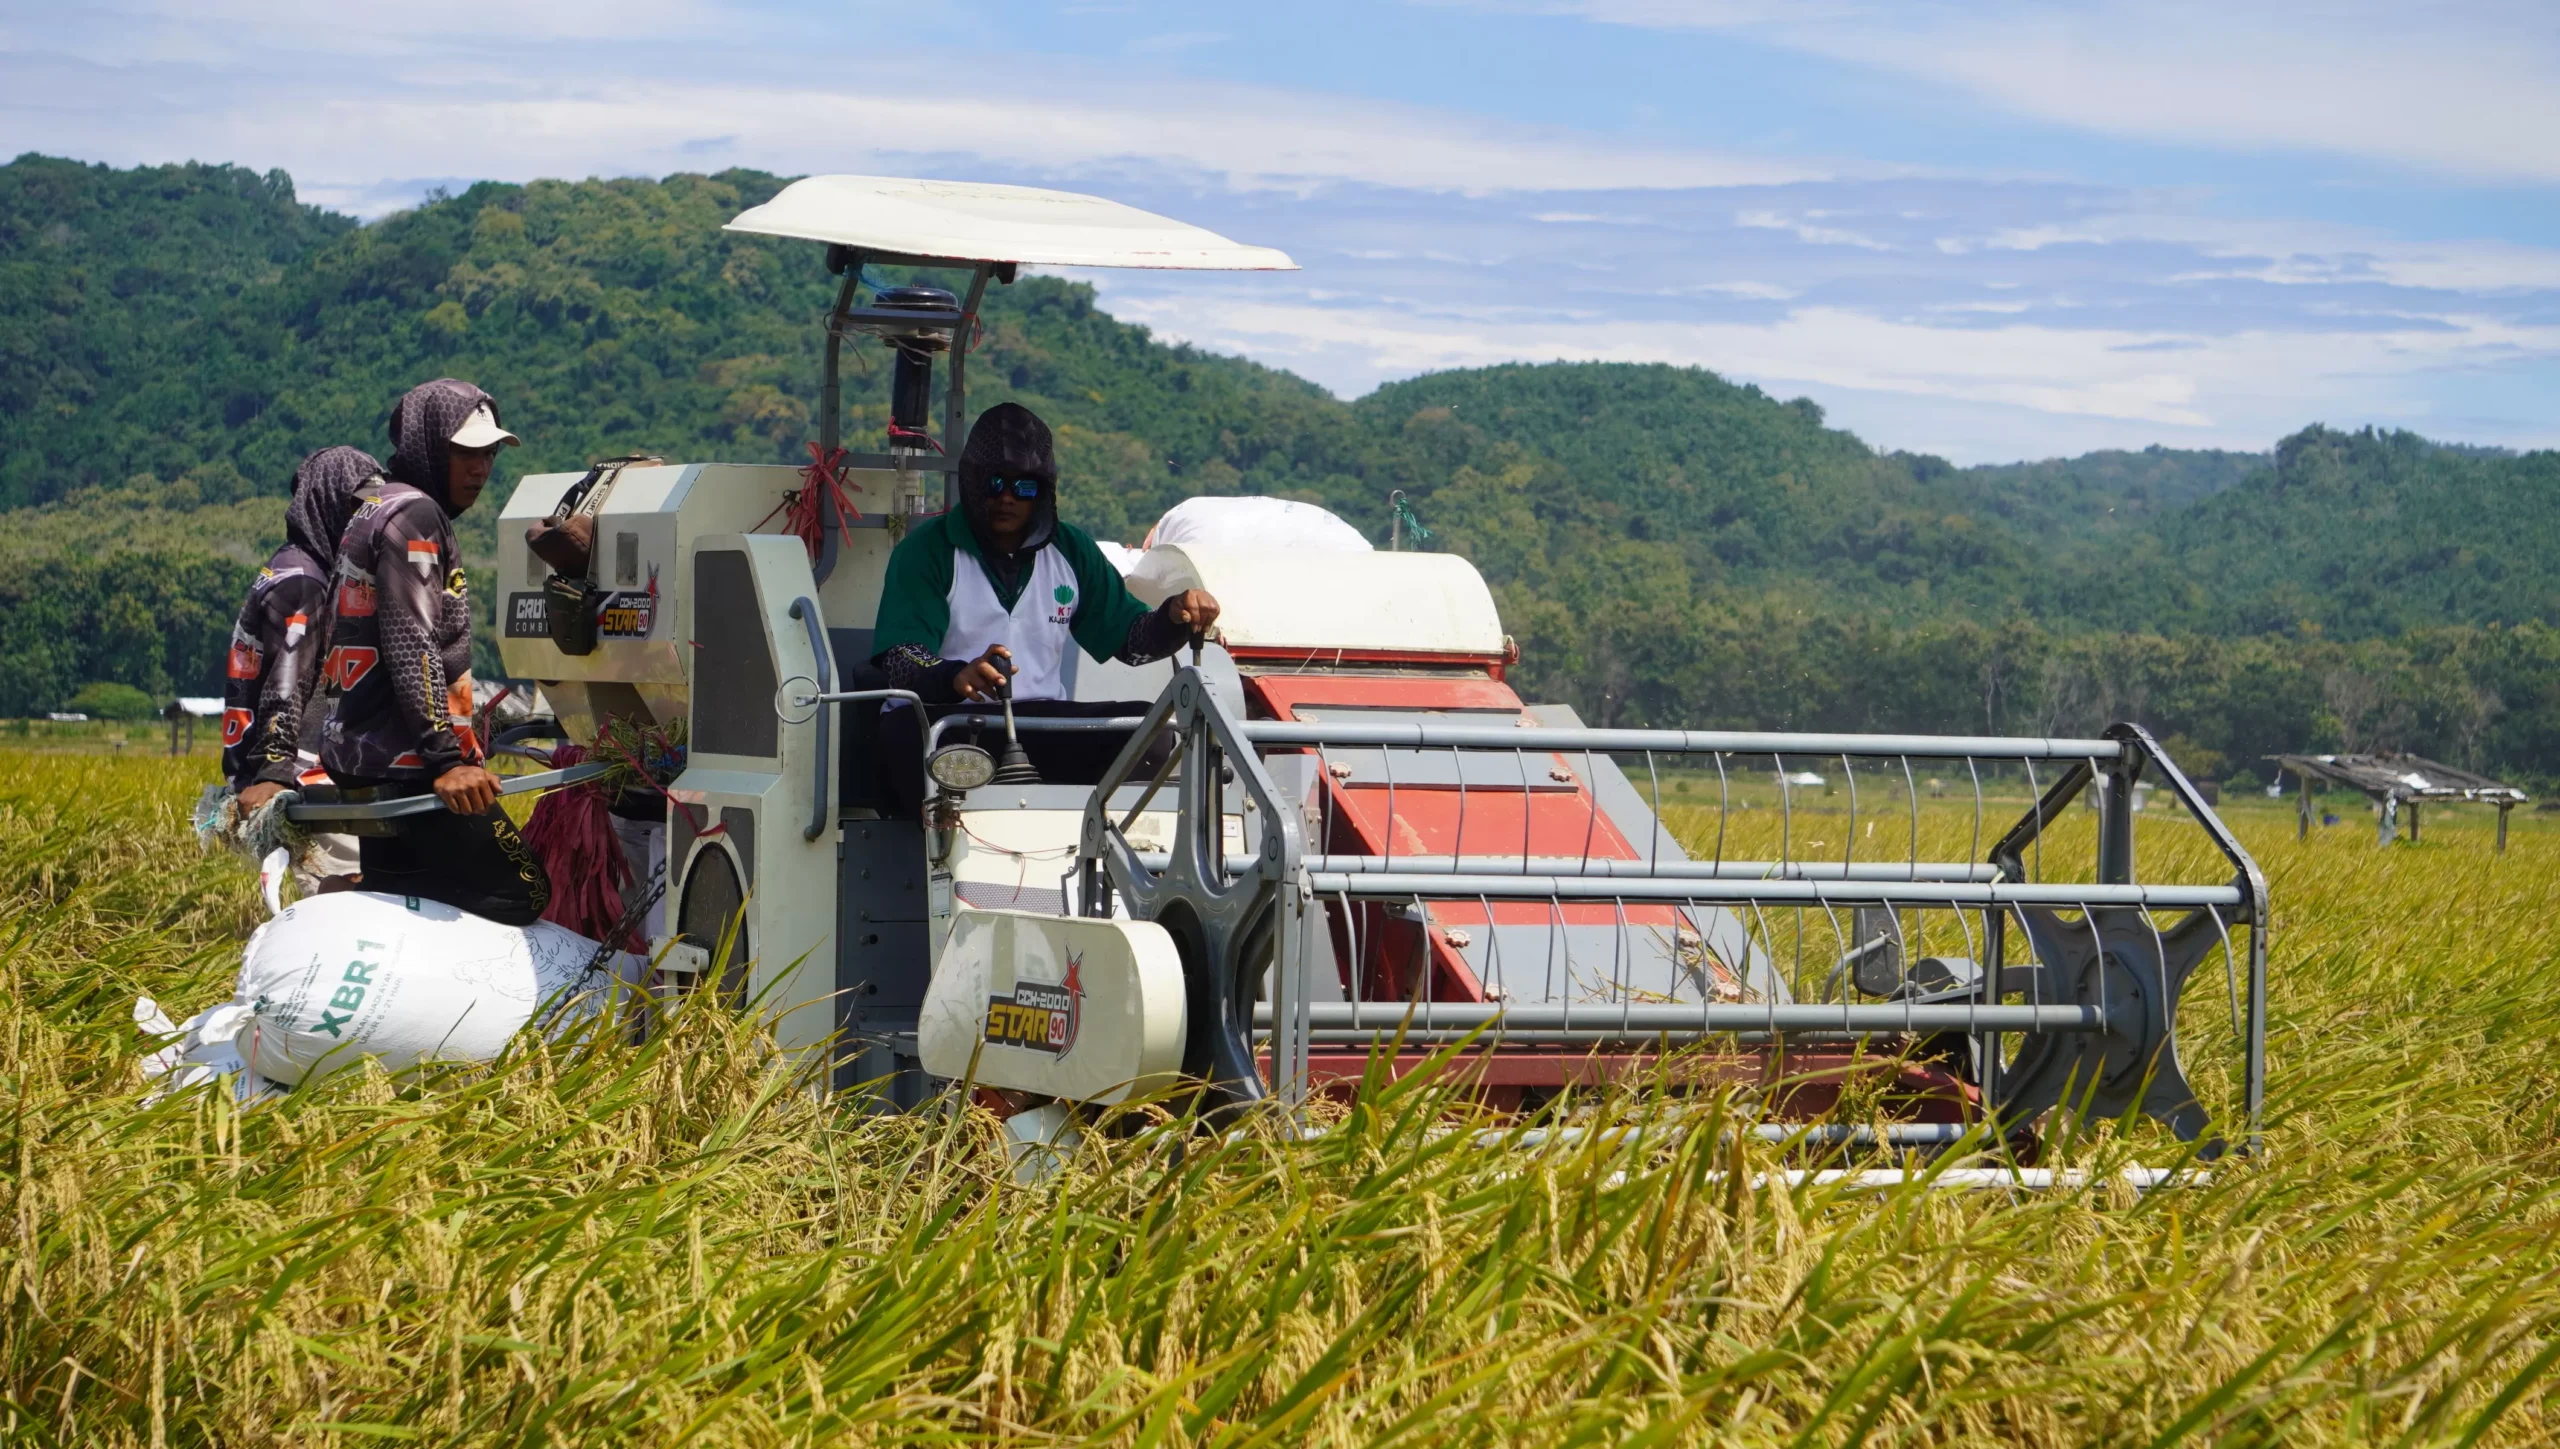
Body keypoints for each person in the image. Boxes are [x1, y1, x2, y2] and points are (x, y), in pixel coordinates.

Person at [870, 403, 1219, 815]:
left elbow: (1131, 641)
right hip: (945, 724)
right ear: (973, 482)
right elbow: (899, 658)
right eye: (996, 482)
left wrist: (1173, 616)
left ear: (1044, 491)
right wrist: (955, 675)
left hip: (1038, 724)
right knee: (911, 739)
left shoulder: (1070, 551)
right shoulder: (929, 549)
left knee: (1148, 732)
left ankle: (1103, 851)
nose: (1007, 497)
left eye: (1025, 487)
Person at [316, 379, 550, 925]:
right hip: (410, 762)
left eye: (488, 453)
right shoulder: (417, 517)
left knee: (401, 886)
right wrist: (446, 759)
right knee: (522, 892)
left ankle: (361, 899)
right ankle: (344, 896)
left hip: (366, 755)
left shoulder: (375, 505)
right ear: (428, 444)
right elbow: (410, 637)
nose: (480, 468)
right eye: (465, 451)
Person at [221, 446, 379, 890]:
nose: (365, 522)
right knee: (341, 903)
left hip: (292, 773)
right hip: (302, 779)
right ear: (326, 503)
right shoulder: (304, 583)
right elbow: (285, 684)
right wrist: (275, 770)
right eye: (356, 507)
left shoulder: (291, 568)